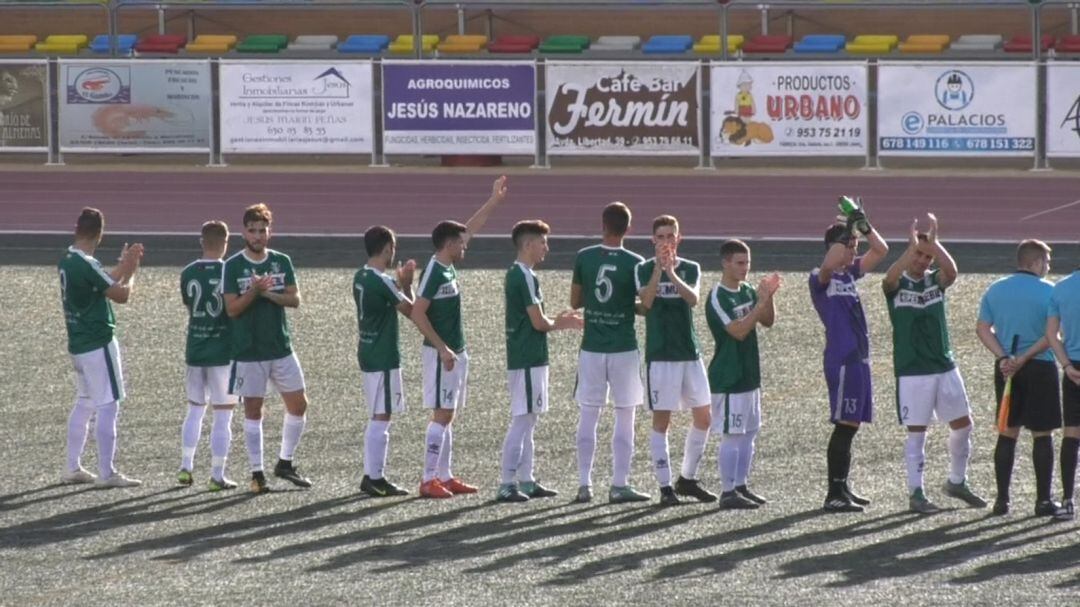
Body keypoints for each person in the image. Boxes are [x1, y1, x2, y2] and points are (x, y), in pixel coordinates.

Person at [882, 214, 987, 514]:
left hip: (944, 366)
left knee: (964, 425)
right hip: (913, 369)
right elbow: (889, 279)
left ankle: (957, 481)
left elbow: (951, 272)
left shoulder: (934, 281)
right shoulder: (896, 284)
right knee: (918, 432)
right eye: (918, 254)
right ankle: (916, 493)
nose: (922, 260)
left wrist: (935, 243)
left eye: (927, 257)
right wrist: (910, 248)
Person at [411, 176, 508, 499]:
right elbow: (417, 312)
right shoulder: (435, 271)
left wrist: (493, 200)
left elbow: (471, 227)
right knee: (442, 413)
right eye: (461, 242)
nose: (466, 245)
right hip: (442, 354)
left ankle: (445, 475)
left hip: (456, 351)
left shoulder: (448, 265)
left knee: (449, 412)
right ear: (448, 244)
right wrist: (442, 348)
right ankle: (427, 480)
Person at [222, 203, 312, 494]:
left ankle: (285, 462)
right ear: (243, 232)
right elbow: (232, 309)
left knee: (299, 404)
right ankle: (257, 472)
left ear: (270, 232)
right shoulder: (233, 265)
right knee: (253, 411)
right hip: (248, 350)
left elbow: (294, 299)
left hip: (280, 346)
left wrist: (268, 293)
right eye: (252, 230)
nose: (258, 236)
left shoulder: (281, 261)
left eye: (262, 230)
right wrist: (253, 291)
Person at [496, 220, 583, 502]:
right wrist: (564, 324)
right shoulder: (524, 276)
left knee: (529, 420)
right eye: (543, 242)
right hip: (527, 357)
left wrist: (558, 321)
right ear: (528, 244)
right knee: (522, 420)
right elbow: (538, 322)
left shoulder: (521, 274)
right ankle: (507, 481)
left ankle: (526, 479)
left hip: (529, 356)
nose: (547, 247)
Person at [809, 207, 889, 512]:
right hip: (842, 359)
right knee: (844, 424)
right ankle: (834, 493)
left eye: (855, 246)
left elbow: (881, 250)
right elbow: (828, 263)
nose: (855, 250)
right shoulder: (821, 277)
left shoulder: (850, 273)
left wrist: (864, 227)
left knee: (851, 424)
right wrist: (844, 232)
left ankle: (843, 486)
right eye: (850, 246)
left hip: (858, 359)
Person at [571, 202, 650, 504]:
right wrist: (624, 306)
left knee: (589, 414)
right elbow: (644, 304)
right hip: (623, 347)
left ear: (602, 225)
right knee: (625, 415)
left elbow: (576, 300)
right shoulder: (636, 262)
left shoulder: (584, 257)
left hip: (592, 347)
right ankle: (619, 483)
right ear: (629, 228)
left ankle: (584, 483)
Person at [59, 207, 144, 488]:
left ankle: (72, 466)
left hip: (78, 343)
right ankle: (106, 472)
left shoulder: (69, 259)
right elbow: (120, 295)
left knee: (84, 402)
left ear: (76, 228)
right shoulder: (86, 263)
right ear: (100, 234)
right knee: (109, 404)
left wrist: (120, 267)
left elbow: (101, 282)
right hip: (97, 342)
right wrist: (131, 272)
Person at [635, 215, 716, 506]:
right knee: (662, 421)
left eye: (671, 236)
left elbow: (692, 299)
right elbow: (646, 302)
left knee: (705, 416)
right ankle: (665, 486)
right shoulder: (642, 268)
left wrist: (672, 272)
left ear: (679, 238)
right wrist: (659, 269)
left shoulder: (691, 267)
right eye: (661, 237)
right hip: (660, 354)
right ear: (652, 241)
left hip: (689, 352)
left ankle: (688, 478)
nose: (666, 242)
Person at [977, 240, 1061, 517]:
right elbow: (1052, 336)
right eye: (1046, 262)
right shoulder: (1050, 292)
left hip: (1006, 369)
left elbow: (983, 329)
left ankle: (1002, 500)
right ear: (1035, 262)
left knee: (1007, 432)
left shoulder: (996, 289)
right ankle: (1043, 501)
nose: (1048, 267)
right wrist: (1026, 357)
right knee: (1042, 434)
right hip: (1039, 367)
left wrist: (1004, 357)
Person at [707, 239, 780, 509]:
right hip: (728, 376)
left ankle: (740, 485)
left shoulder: (747, 290)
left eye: (747, 262)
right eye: (739, 263)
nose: (745, 268)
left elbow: (768, 321)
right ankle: (727, 491)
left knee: (749, 433)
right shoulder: (718, 296)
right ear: (725, 263)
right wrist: (759, 303)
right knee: (732, 434)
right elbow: (737, 331)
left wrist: (767, 296)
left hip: (750, 374)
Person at [354, 225, 417, 498]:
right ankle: (375, 477)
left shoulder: (360, 276)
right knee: (382, 416)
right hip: (383, 355)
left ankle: (372, 474)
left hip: (368, 351)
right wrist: (407, 285)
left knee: (377, 414)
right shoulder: (383, 281)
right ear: (388, 249)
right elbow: (413, 312)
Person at [178, 221, 239, 492]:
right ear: (226, 243)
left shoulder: (188, 271)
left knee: (194, 410)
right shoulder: (230, 271)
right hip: (223, 352)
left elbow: (188, 304)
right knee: (223, 415)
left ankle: (186, 467)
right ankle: (217, 474)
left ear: (201, 241)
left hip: (195, 349)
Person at [1046, 255, 1080, 521]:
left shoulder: (1061, 288)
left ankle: (1068, 501)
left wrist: (1066, 364)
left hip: (1074, 369)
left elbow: (1051, 335)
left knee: (1071, 434)